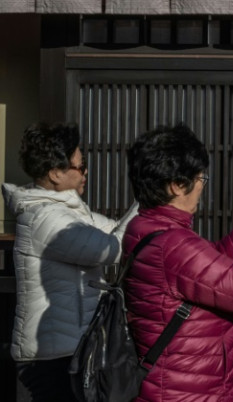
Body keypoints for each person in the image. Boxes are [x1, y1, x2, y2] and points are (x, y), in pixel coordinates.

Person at [123, 123, 233, 401]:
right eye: (201, 179)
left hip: (178, 386)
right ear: (177, 185)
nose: (202, 187)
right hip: (192, 392)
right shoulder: (173, 245)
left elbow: (209, 271)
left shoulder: (145, 228)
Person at [1, 122, 138, 402]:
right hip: (48, 360)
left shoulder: (68, 212)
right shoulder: (46, 219)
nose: (86, 172)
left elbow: (116, 232)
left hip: (67, 350)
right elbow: (112, 249)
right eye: (80, 166)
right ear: (55, 173)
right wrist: (146, 201)